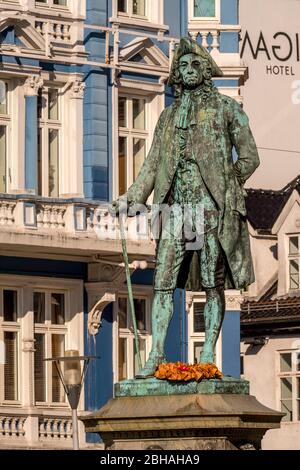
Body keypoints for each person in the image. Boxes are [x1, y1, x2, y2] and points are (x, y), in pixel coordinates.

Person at [111, 38, 260, 378]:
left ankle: (208, 351)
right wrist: (132, 196)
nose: (188, 70)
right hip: (175, 209)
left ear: (207, 71)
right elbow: (152, 164)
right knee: (162, 278)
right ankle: (157, 353)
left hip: (210, 208)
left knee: (212, 282)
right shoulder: (167, 117)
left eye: (195, 65)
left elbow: (250, 157)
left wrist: (227, 181)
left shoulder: (226, 109)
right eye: (182, 66)